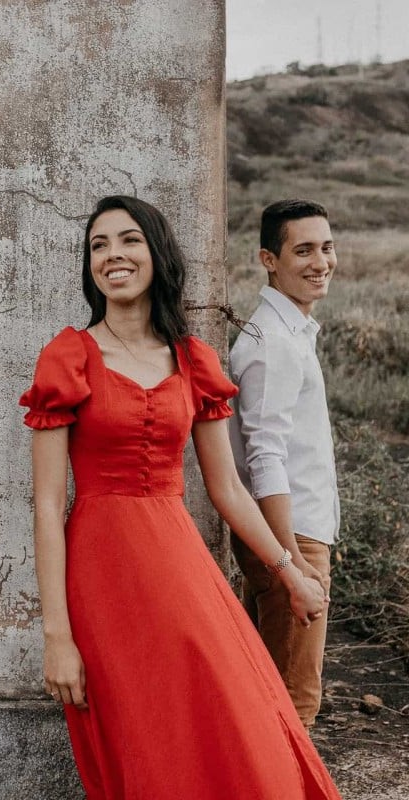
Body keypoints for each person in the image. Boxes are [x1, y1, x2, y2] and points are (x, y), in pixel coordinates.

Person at [19, 195, 341, 799]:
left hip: (180, 563)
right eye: (98, 245)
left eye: (129, 240)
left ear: (157, 254)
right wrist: (56, 636)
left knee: (238, 717)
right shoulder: (68, 356)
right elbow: (46, 506)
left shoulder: (194, 359)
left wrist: (290, 571)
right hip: (102, 576)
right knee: (147, 735)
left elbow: (227, 489)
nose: (112, 255)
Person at [228, 199, 340, 728]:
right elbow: (264, 456)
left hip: (295, 534)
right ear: (269, 260)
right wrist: (291, 562)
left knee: (272, 697)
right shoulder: (272, 342)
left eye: (326, 247)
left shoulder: (291, 332)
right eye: (304, 250)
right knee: (294, 706)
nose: (321, 262)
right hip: (291, 538)